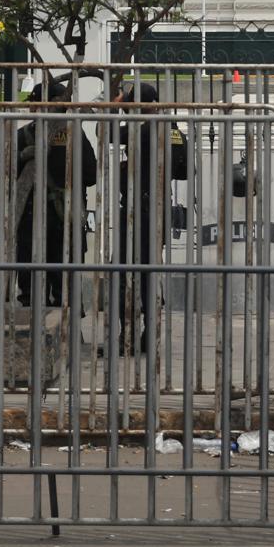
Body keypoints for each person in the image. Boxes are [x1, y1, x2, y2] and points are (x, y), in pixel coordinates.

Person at [111, 83, 186, 354]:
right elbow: (187, 170)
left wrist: (117, 106)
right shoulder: (173, 128)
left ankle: (128, 336)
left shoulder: (141, 130)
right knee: (150, 272)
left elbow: (107, 132)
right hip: (159, 209)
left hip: (137, 212)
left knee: (122, 272)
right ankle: (148, 335)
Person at [13, 82, 98, 310]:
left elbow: (5, 170)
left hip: (31, 219)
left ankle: (35, 336)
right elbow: (91, 175)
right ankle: (67, 336)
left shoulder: (24, 134)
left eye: (33, 103)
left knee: (31, 284)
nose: (31, 108)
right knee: (66, 284)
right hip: (66, 219)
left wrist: (23, 158)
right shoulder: (74, 133)